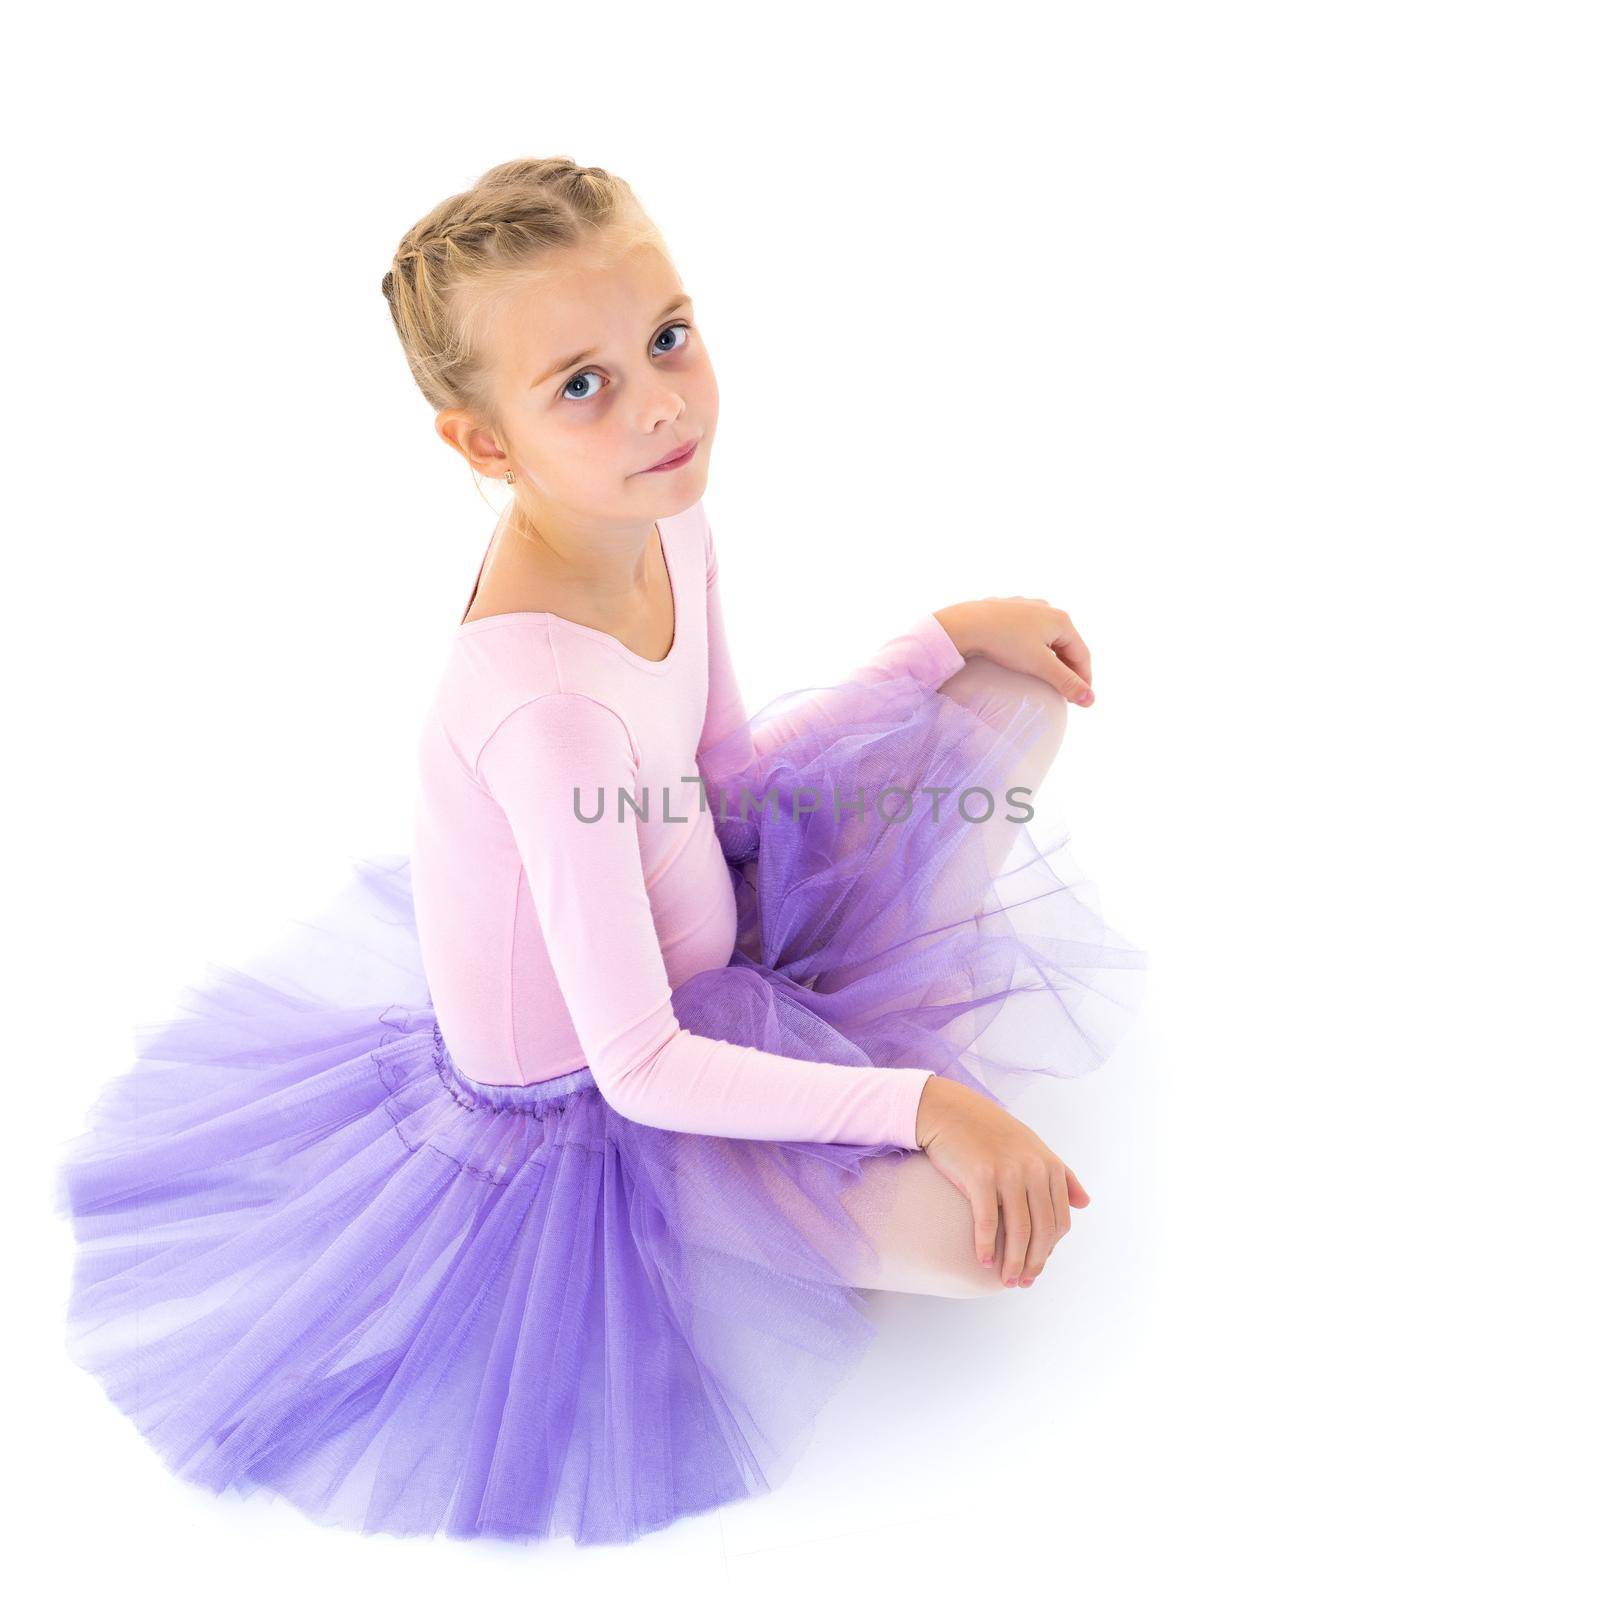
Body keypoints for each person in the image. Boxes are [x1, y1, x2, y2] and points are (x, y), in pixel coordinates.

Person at [54, 156, 1144, 1547]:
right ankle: (723, 1226)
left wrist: (935, 642)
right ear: (483, 444)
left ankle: (817, 1152)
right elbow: (640, 1069)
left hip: (695, 912)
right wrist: (928, 1102)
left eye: (667, 337)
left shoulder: (663, 512)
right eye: (584, 383)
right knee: (978, 1256)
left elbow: (731, 776)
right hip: (603, 1108)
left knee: (1009, 702)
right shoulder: (539, 709)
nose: (661, 402)